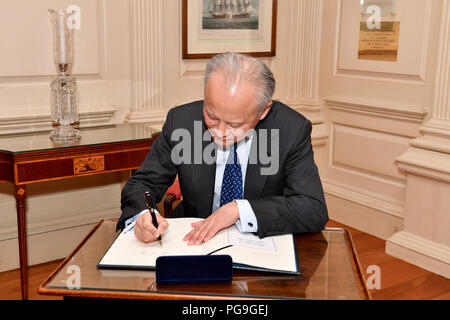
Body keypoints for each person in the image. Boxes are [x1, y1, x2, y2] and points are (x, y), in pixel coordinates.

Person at [118, 52, 328, 245]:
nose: (220, 131)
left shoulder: (290, 129)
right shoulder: (182, 122)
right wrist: (143, 217)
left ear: (263, 111)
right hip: (194, 242)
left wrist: (239, 209)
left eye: (235, 125)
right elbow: (143, 183)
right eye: (212, 116)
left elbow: (312, 208)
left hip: (258, 244)